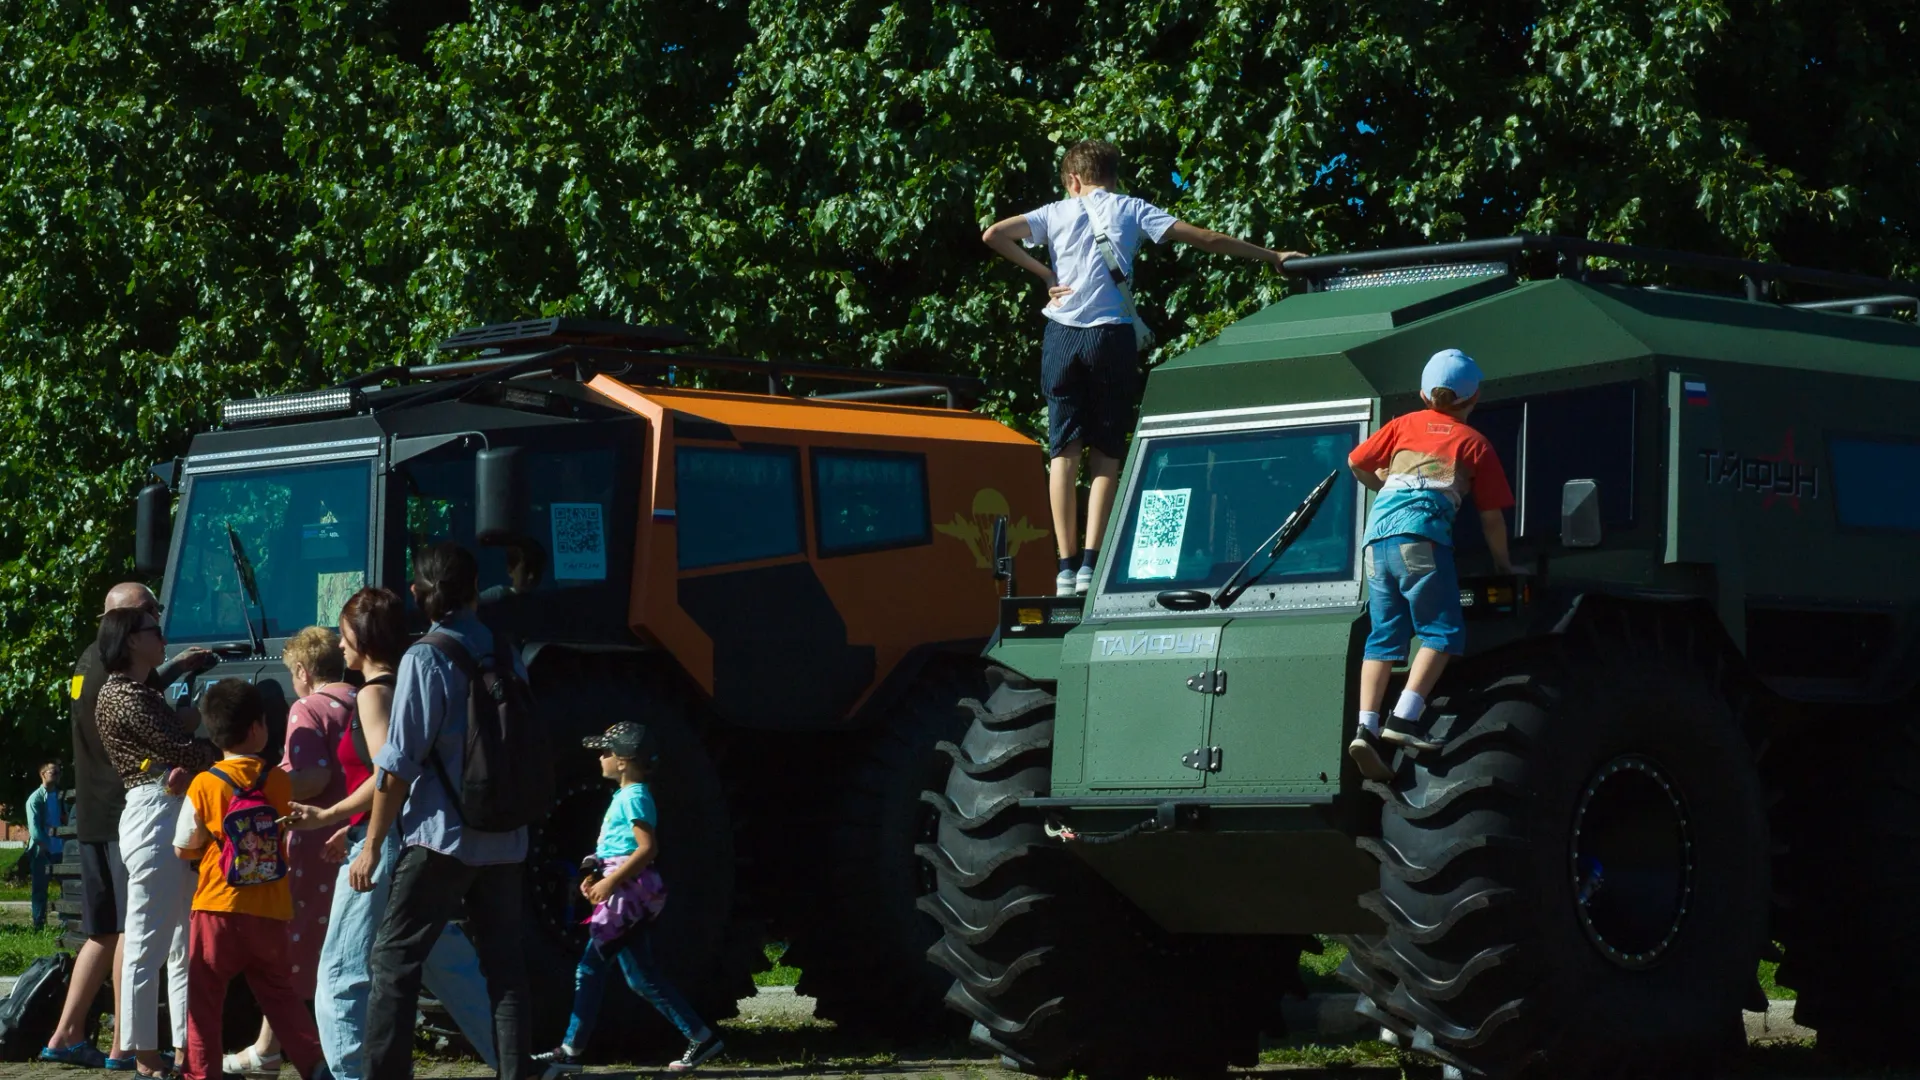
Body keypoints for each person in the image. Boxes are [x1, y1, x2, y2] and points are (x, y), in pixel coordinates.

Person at [981, 138, 1307, 596]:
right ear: (1112, 177)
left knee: (1063, 451)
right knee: (1107, 450)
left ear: (1073, 179)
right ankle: (1092, 563)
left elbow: (993, 234)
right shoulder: (1130, 209)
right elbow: (1205, 239)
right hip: (1109, 335)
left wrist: (1047, 276)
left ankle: (1065, 566)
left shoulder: (1053, 212)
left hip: (1061, 333)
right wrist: (1273, 256)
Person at [285, 588, 499, 1080]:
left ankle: (351, 1074)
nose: (339, 647)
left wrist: (347, 827)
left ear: (362, 638)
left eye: (343, 636)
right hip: (407, 839)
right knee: (446, 959)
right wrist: (345, 821)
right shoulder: (403, 684)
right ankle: (512, 1057)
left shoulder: (374, 695)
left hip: (382, 846)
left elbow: (391, 773)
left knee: (340, 974)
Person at [356, 544, 531, 1080]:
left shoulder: (425, 657)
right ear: (476, 589)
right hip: (506, 836)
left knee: (394, 961)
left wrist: (370, 845)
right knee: (506, 971)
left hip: (442, 838)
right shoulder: (507, 650)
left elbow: (398, 764)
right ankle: (517, 1073)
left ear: (417, 594)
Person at [45, 584, 213, 1069]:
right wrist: (205, 742)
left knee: (137, 934)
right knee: (137, 936)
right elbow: (173, 745)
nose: (161, 625)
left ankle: (91, 1036)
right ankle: (134, 1050)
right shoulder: (116, 684)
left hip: (120, 809)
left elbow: (159, 722)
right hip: (140, 807)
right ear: (126, 628)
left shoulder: (98, 668)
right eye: (152, 619)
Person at [1345, 349, 1515, 782]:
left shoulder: (1403, 425)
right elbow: (1491, 517)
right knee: (1442, 632)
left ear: (1423, 393)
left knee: (1383, 637)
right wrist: (1503, 563)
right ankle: (1404, 718)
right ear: (1473, 398)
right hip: (1420, 540)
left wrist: (1380, 481)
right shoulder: (1474, 443)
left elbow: (1356, 461)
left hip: (1374, 543)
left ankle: (1366, 727)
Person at [533, 723, 722, 1077]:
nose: (600, 757)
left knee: (590, 968)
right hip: (624, 893)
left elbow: (647, 848)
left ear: (624, 760)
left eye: (606, 751)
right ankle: (701, 1035)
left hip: (627, 896)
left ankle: (571, 1050)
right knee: (640, 976)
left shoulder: (635, 796)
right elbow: (612, 847)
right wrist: (593, 874)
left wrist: (611, 883)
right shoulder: (623, 795)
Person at [170, 679, 329, 1080]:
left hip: (216, 909)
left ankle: (202, 1074)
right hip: (271, 908)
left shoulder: (204, 783)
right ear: (259, 728)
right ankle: (314, 1064)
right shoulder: (275, 780)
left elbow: (182, 847)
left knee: (205, 1000)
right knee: (280, 997)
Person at [222, 628, 355, 1079]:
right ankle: (267, 1048)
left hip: (316, 839)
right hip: (356, 833)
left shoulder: (308, 707)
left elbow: (312, 776)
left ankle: (277, 1051)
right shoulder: (362, 699)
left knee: (295, 948)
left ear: (302, 671)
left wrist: (261, 787)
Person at [94, 605, 221, 1078]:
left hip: (166, 812)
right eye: (154, 631)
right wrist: (218, 750)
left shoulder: (131, 692)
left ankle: (187, 1051)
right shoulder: (127, 698)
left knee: (179, 944)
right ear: (131, 641)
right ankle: (145, 1057)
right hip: (156, 816)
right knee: (150, 944)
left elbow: (177, 743)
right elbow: (187, 749)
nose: (162, 637)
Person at [25, 762, 64, 932]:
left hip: (61, 849)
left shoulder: (61, 797)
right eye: (52, 772)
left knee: (67, 889)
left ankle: (66, 924)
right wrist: (44, 846)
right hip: (42, 851)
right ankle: (38, 925)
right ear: (43, 774)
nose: (56, 775)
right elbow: (34, 830)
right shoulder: (35, 798)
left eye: (58, 772)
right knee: (40, 890)